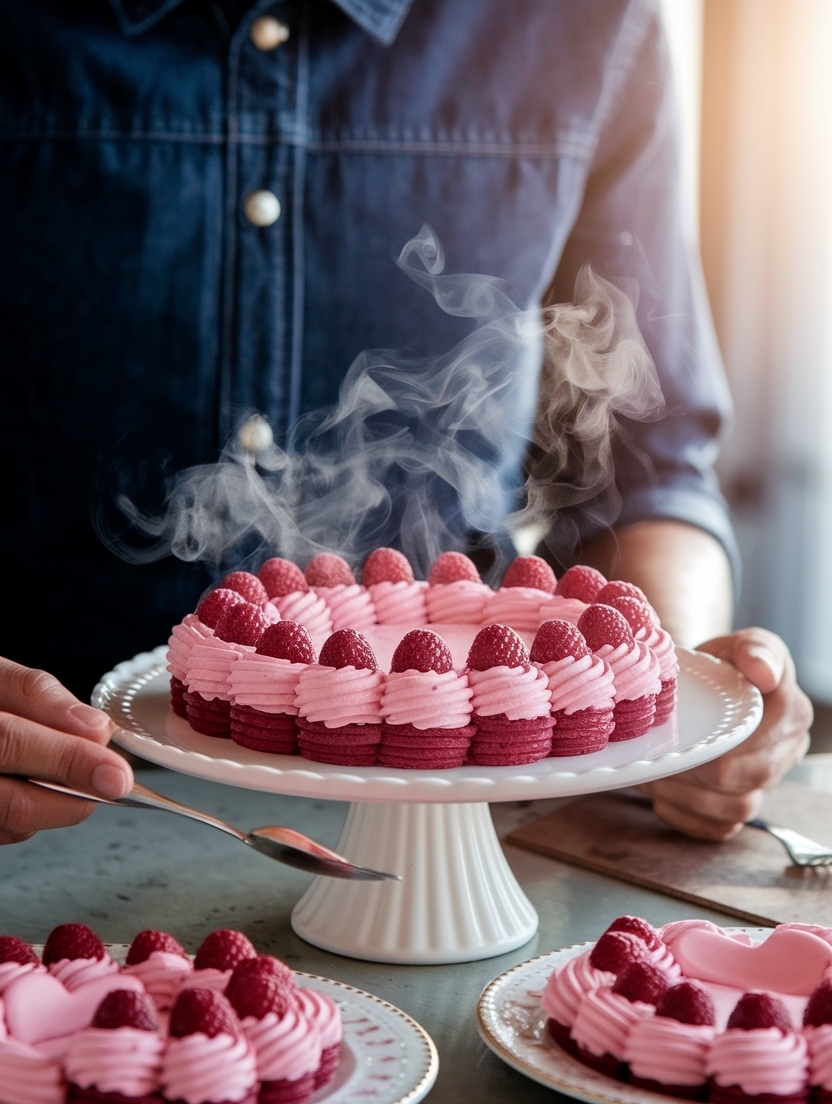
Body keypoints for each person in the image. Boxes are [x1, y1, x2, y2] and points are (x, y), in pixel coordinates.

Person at [0, 0, 812, 845]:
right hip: (51, 812)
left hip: (482, 821)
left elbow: (652, 472)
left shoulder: (588, 23)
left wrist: (659, 699)